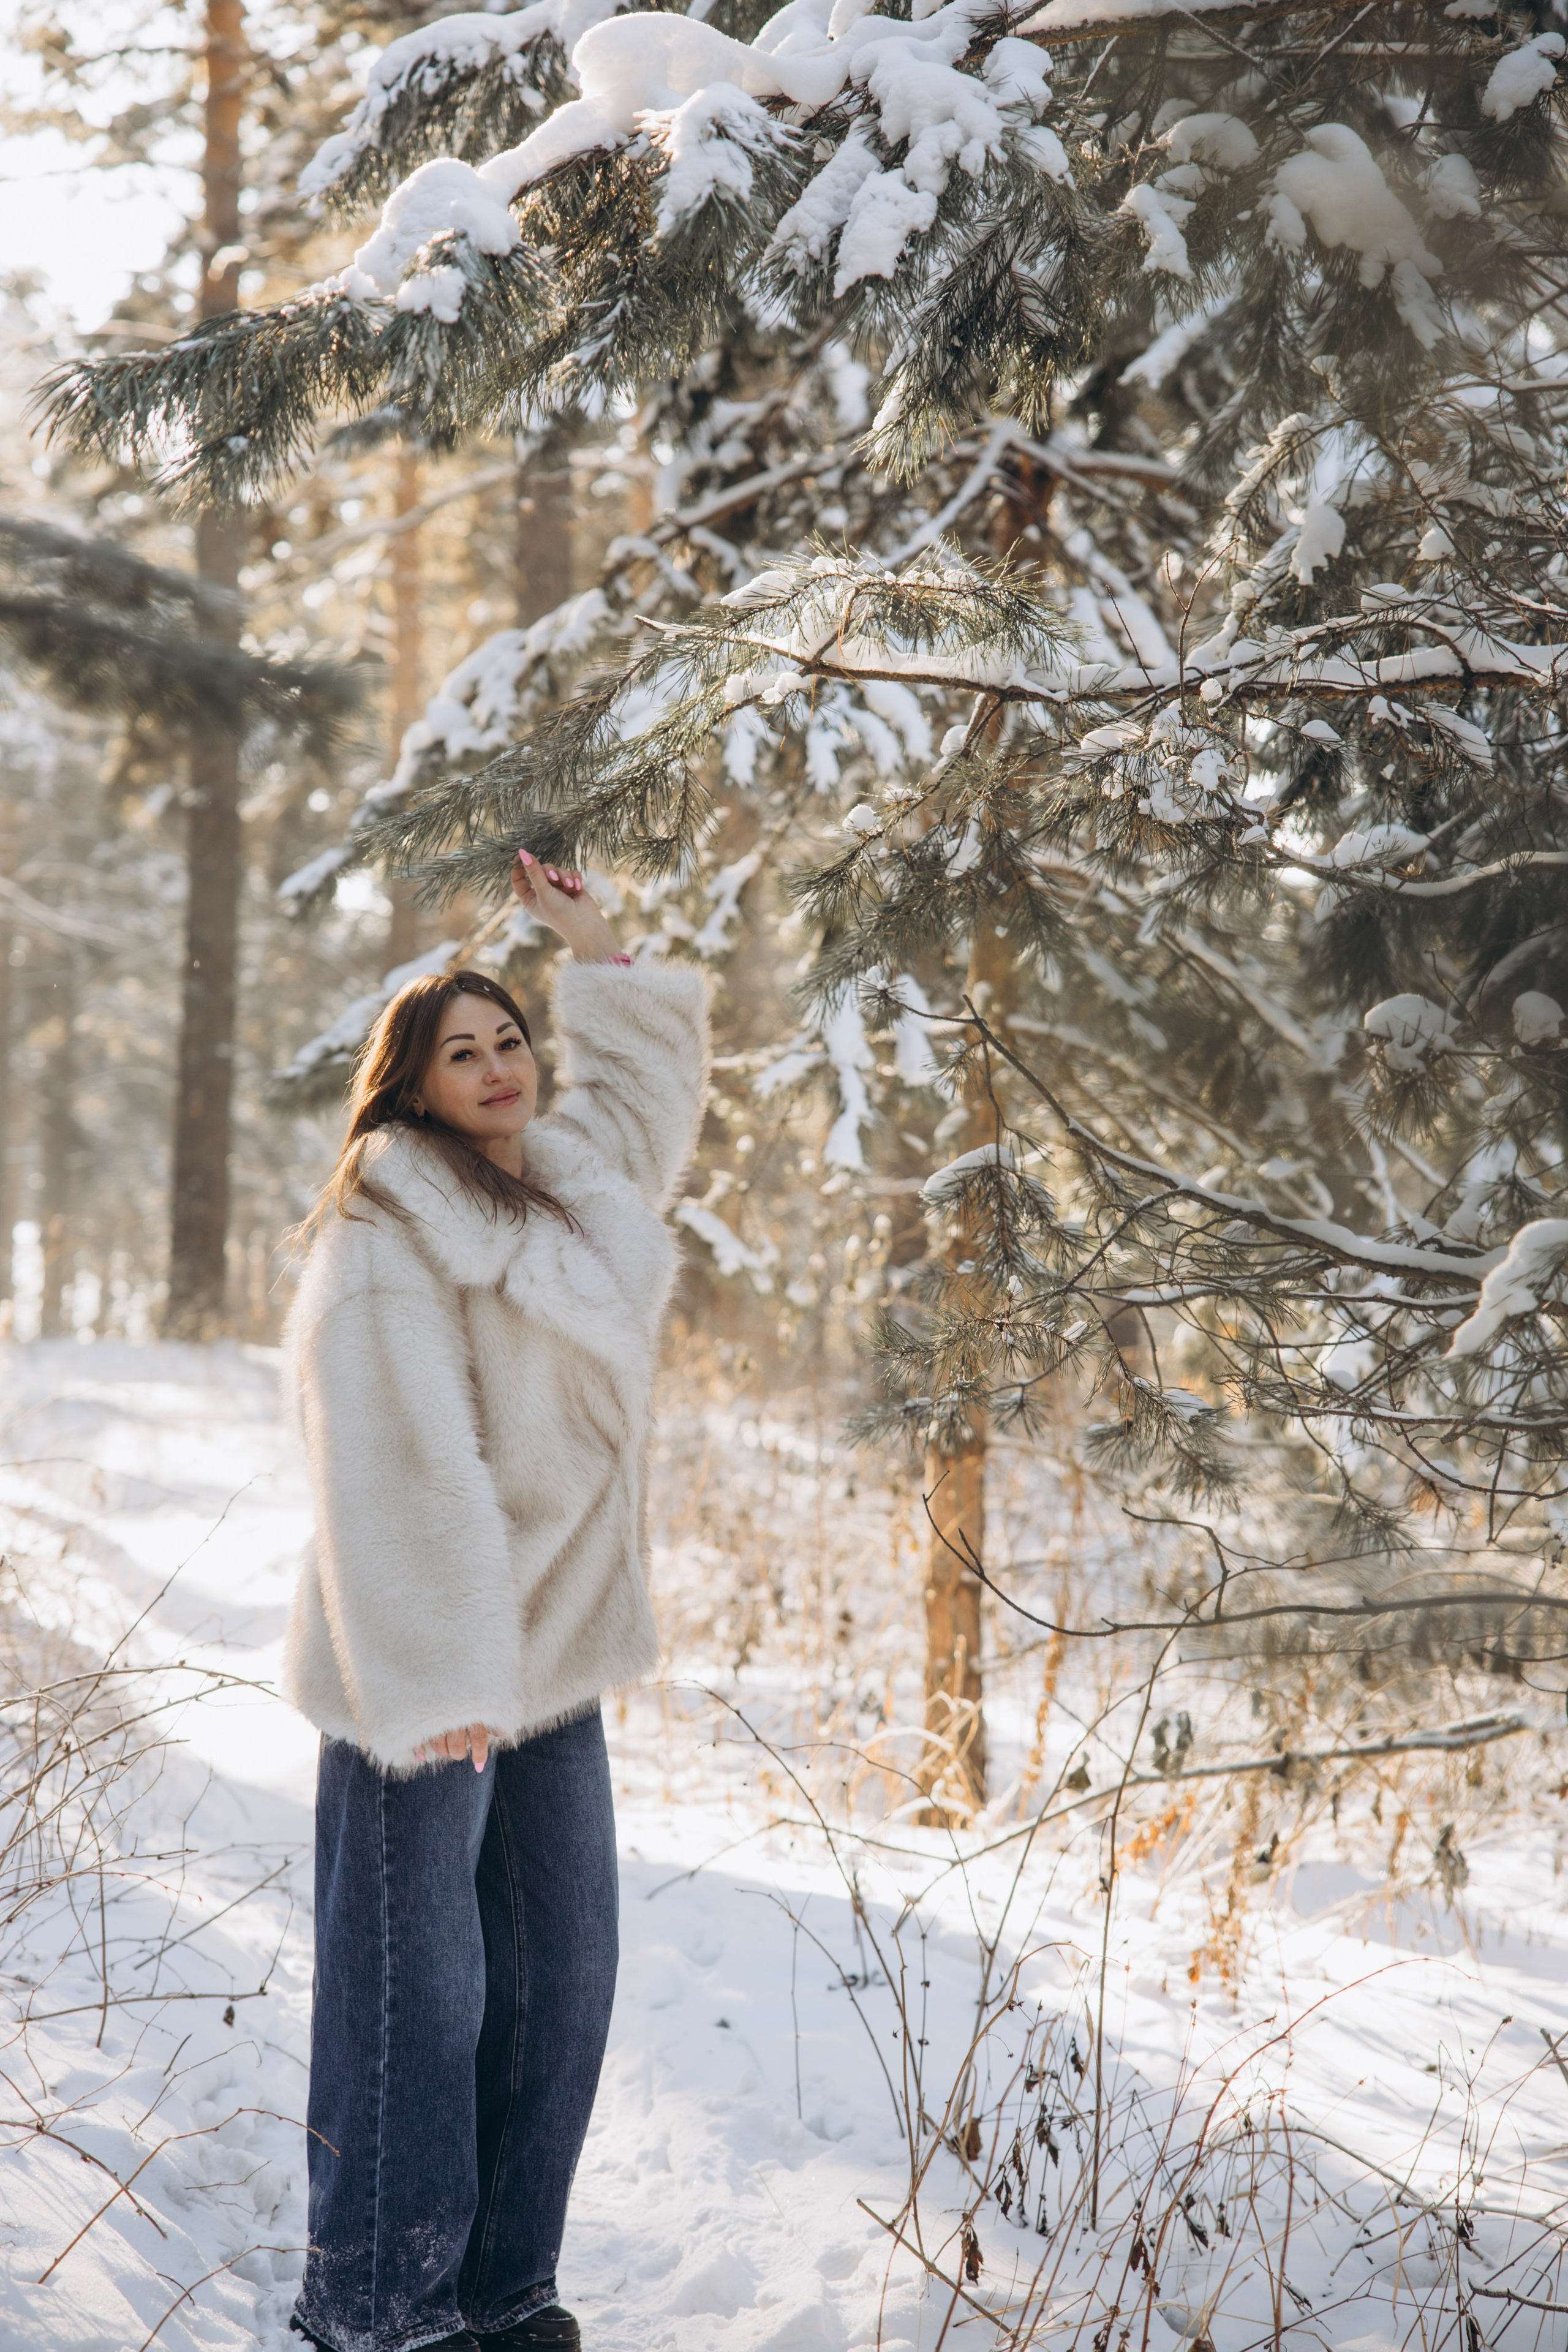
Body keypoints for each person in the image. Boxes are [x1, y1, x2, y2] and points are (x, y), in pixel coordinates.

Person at [282, 848, 710, 2352]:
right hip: (432, 1663)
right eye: (459, 1052)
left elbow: (646, 1107)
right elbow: (393, 1464)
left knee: (559, 1977)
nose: (496, 1067)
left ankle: (501, 2289)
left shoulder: (560, 1195)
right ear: (407, 1090)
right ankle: (379, 2306)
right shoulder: (387, 1231)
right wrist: (440, 1672)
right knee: (423, 1996)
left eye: (510, 1038)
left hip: (551, 1656)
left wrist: (600, 954)